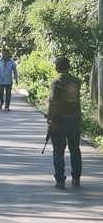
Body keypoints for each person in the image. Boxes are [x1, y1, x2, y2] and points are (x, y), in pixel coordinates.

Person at [46, 57, 82, 190]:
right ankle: (76, 178)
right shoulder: (76, 81)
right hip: (75, 119)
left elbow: (53, 102)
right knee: (75, 149)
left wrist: (50, 120)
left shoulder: (56, 82)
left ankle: (60, 181)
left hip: (59, 120)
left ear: (57, 67)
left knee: (58, 151)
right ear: (68, 66)